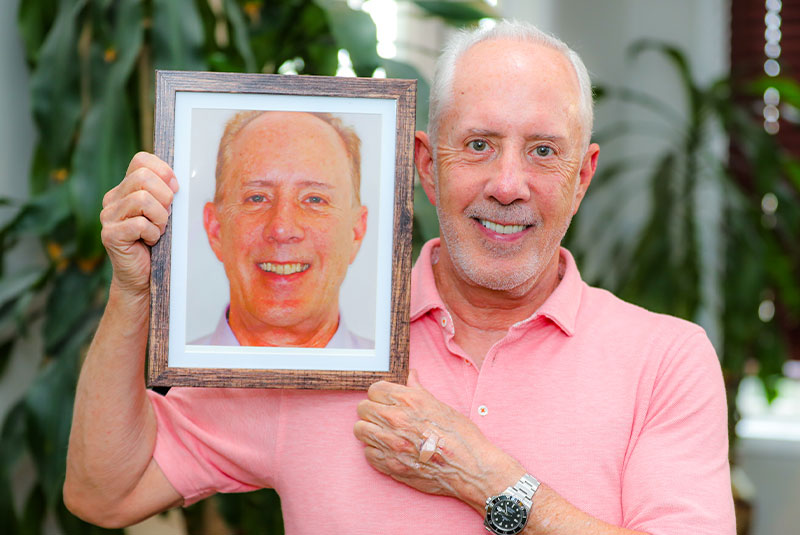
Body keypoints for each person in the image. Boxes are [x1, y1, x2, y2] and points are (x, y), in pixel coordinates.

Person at [64, 20, 735, 534]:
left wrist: (490, 478)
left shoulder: (665, 360)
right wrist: (131, 293)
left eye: (542, 151)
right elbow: (104, 491)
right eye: (477, 144)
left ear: (580, 177)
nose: (508, 185)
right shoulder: (312, 350)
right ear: (424, 163)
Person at [195, 110, 371, 348]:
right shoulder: (155, 384)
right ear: (216, 229)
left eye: (314, 200)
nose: (282, 229)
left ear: (355, 233)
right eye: (257, 198)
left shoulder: (409, 379)